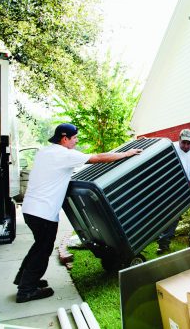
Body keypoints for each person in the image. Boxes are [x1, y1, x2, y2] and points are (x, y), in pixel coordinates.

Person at [14, 123, 142, 303]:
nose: (76, 141)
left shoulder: (45, 152)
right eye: (74, 138)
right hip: (43, 212)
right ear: (64, 139)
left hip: (31, 209)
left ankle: (24, 279)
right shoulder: (64, 154)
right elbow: (98, 157)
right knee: (43, 249)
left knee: (38, 246)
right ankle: (26, 290)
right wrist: (126, 153)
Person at [157, 129, 190, 254]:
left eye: (188, 143)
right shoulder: (172, 148)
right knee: (172, 216)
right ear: (179, 139)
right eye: (183, 142)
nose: (185, 146)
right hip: (177, 191)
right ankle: (163, 244)